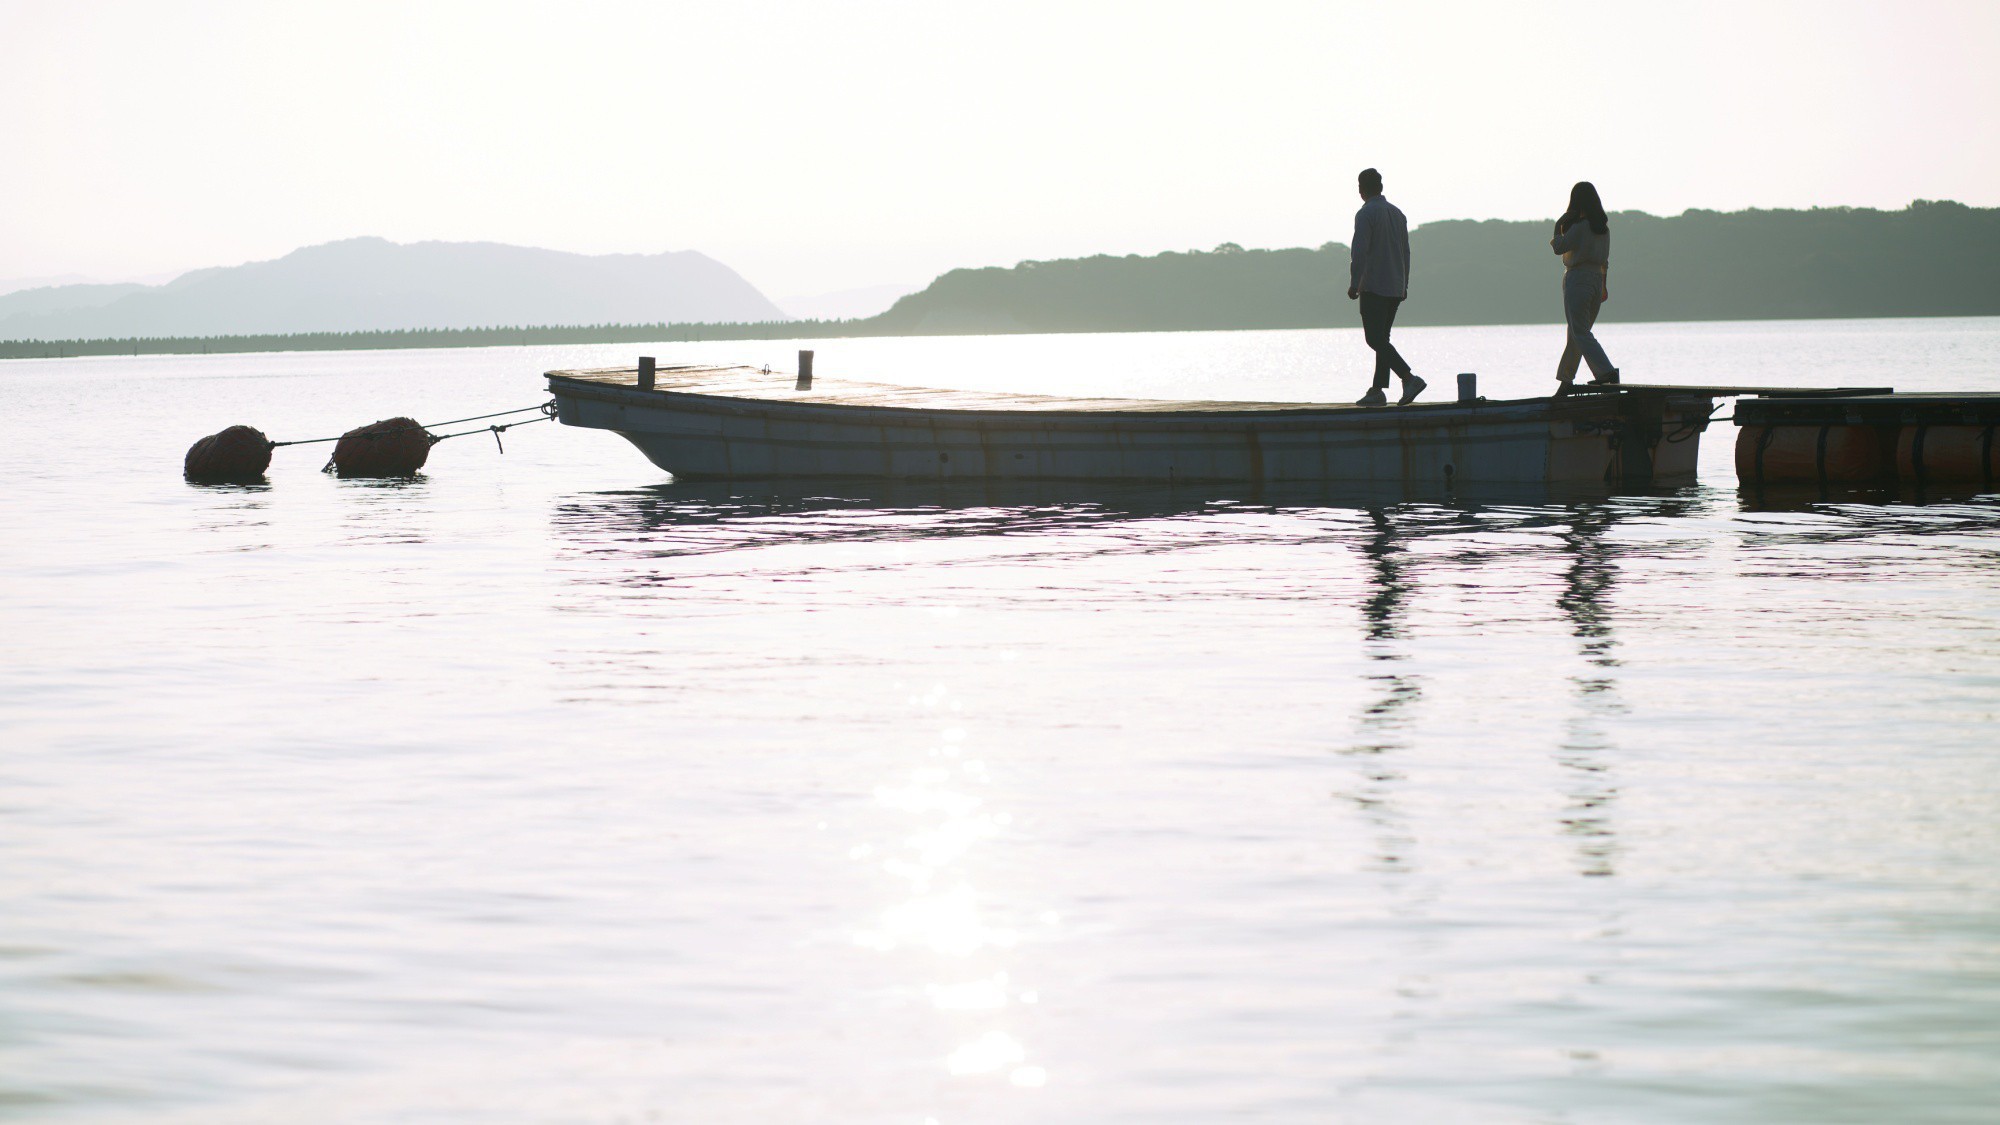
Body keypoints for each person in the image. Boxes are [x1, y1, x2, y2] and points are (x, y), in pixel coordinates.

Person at [1347, 168, 1425, 406]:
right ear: (1380, 187)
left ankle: (1409, 378)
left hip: (1373, 285)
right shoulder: (1397, 214)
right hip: (1395, 285)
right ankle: (1377, 390)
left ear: (1361, 189)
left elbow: (1359, 251)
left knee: (1374, 339)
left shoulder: (1366, 214)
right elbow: (1406, 252)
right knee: (1383, 339)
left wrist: (1354, 283)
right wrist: (1405, 283)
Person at [1551, 181, 1619, 393]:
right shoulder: (1603, 230)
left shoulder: (1580, 227)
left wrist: (1559, 224)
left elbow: (1559, 247)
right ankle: (1566, 380)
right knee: (1578, 333)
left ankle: (1606, 372)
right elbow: (1604, 261)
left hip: (1578, 278)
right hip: (1596, 280)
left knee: (1579, 332)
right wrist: (1604, 286)